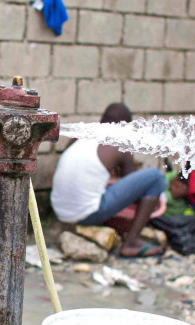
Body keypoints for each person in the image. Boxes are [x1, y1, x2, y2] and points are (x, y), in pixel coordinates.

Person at [50, 102, 166, 258]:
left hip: (60, 211)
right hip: (86, 215)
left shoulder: (80, 136)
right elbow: (132, 182)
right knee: (155, 178)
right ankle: (132, 242)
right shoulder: (118, 144)